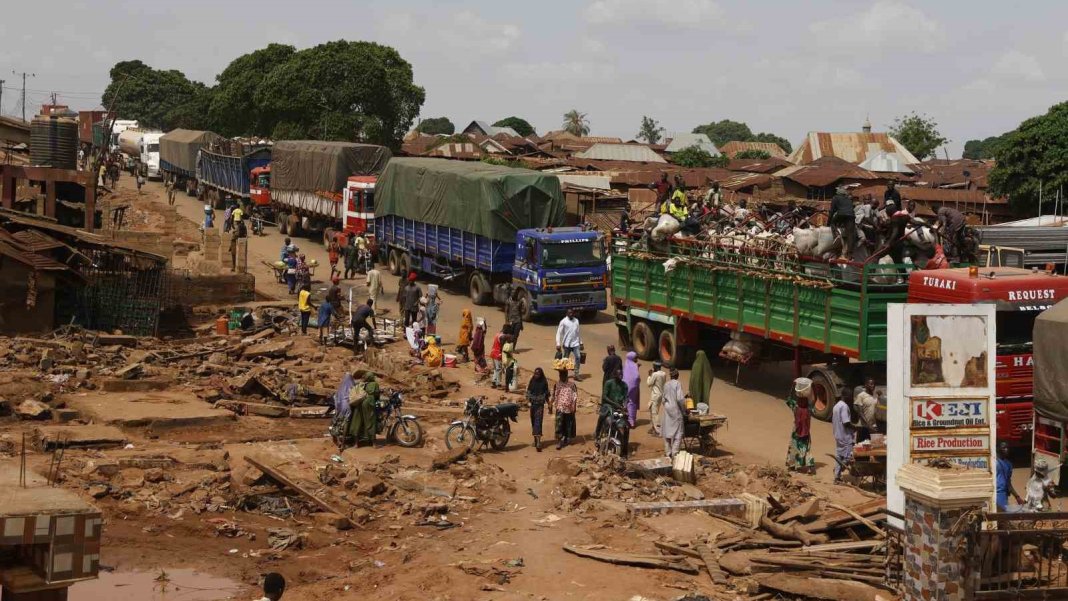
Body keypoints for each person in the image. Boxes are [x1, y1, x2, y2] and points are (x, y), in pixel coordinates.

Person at [785, 378, 815, 472]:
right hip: (806, 431)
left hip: (796, 431)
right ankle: (809, 467)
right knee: (806, 448)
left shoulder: (795, 407)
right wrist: (813, 388)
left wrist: (793, 386)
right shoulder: (809, 409)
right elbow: (815, 400)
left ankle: (792, 465)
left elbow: (788, 399)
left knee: (794, 447)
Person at [598, 367, 629, 456]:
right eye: (619, 374)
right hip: (608, 406)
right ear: (615, 375)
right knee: (602, 417)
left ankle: (624, 450)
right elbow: (604, 397)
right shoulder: (609, 383)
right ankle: (597, 435)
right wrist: (616, 404)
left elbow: (626, 397)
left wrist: (625, 405)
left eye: (622, 374)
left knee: (626, 426)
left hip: (619, 408)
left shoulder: (624, 385)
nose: (621, 376)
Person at [661, 368, 686, 458]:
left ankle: (668, 453)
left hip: (667, 409)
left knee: (667, 432)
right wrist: (684, 410)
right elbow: (680, 399)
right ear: (677, 376)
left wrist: (668, 405)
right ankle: (675, 453)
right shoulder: (677, 384)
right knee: (678, 433)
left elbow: (663, 399)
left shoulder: (666, 384)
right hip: (676, 410)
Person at [832, 388, 855, 483]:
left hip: (838, 434)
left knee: (839, 456)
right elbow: (846, 423)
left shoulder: (836, 406)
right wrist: (854, 427)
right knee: (849, 457)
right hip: (845, 436)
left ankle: (837, 476)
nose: (851, 399)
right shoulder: (844, 407)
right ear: (846, 397)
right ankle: (839, 470)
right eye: (850, 397)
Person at [551, 368, 578, 450]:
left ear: (566, 376)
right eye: (560, 375)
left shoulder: (572, 385)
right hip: (560, 407)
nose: (562, 377)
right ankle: (559, 441)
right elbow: (554, 395)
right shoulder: (557, 384)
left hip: (569, 408)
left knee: (568, 424)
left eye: (564, 375)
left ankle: (566, 437)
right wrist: (551, 404)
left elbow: (575, 396)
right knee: (559, 424)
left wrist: (574, 405)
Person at [829, 185, 856, 259]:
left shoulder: (835, 198)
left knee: (832, 223)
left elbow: (832, 211)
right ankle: (850, 253)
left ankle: (835, 235)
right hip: (851, 216)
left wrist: (829, 222)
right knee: (850, 234)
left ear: (837, 193)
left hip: (841, 214)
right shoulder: (848, 199)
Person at [995, 441, 1023, 512]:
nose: (1006, 449)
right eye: (1004, 448)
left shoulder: (1009, 464)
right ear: (997, 448)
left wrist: (1017, 497)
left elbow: (1008, 483)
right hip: (996, 493)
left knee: (1002, 517)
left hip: (1003, 494)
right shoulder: (993, 462)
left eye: (1007, 448)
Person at [527, 368, 549, 452]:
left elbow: (546, 394)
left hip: (540, 406)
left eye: (538, 374)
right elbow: (529, 391)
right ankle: (535, 440)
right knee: (533, 422)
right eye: (535, 374)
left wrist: (549, 404)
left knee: (538, 422)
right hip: (532, 405)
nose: (536, 375)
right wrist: (527, 399)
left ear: (541, 374)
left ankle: (539, 443)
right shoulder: (532, 381)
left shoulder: (544, 382)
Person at [555, 309, 582, 379]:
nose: (571, 314)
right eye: (569, 313)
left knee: (578, 357)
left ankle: (576, 374)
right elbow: (559, 333)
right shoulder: (563, 321)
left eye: (572, 313)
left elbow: (578, 333)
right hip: (566, 344)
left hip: (575, 343)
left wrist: (581, 342)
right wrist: (558, 343)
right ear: (566, 314)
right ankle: (564, 374)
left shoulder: (576, 321)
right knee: (565, 360)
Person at [853, 378, 879, 442]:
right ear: (866, 385)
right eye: (871, 384)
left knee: (871, 447)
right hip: (863, 426)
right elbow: (860, 412)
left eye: (874, 384)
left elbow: (876, 410)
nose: (873, 385)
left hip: (873, 426)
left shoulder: (875, 396)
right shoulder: (861, 396)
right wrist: (868, 425)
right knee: (861, 446)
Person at [646, 361, 667, 436]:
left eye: (654, 366)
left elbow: (649, 384)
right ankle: (653, 428)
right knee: (653, 410)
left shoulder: (655, 374)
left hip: (655, 395)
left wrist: (649, 376)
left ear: (656, 367)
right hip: (661, 395)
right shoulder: (664, 373)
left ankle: (658, 431)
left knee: (654, 412)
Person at [622, 351, 641, 429]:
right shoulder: (634, 366)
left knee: (626, 403)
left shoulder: (626, 364)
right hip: (633, 388)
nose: (637, 358)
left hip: (626, 387)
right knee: (632, 404)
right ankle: (631, 421)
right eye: (635, 357)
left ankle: (627, 420)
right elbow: (636, 377)